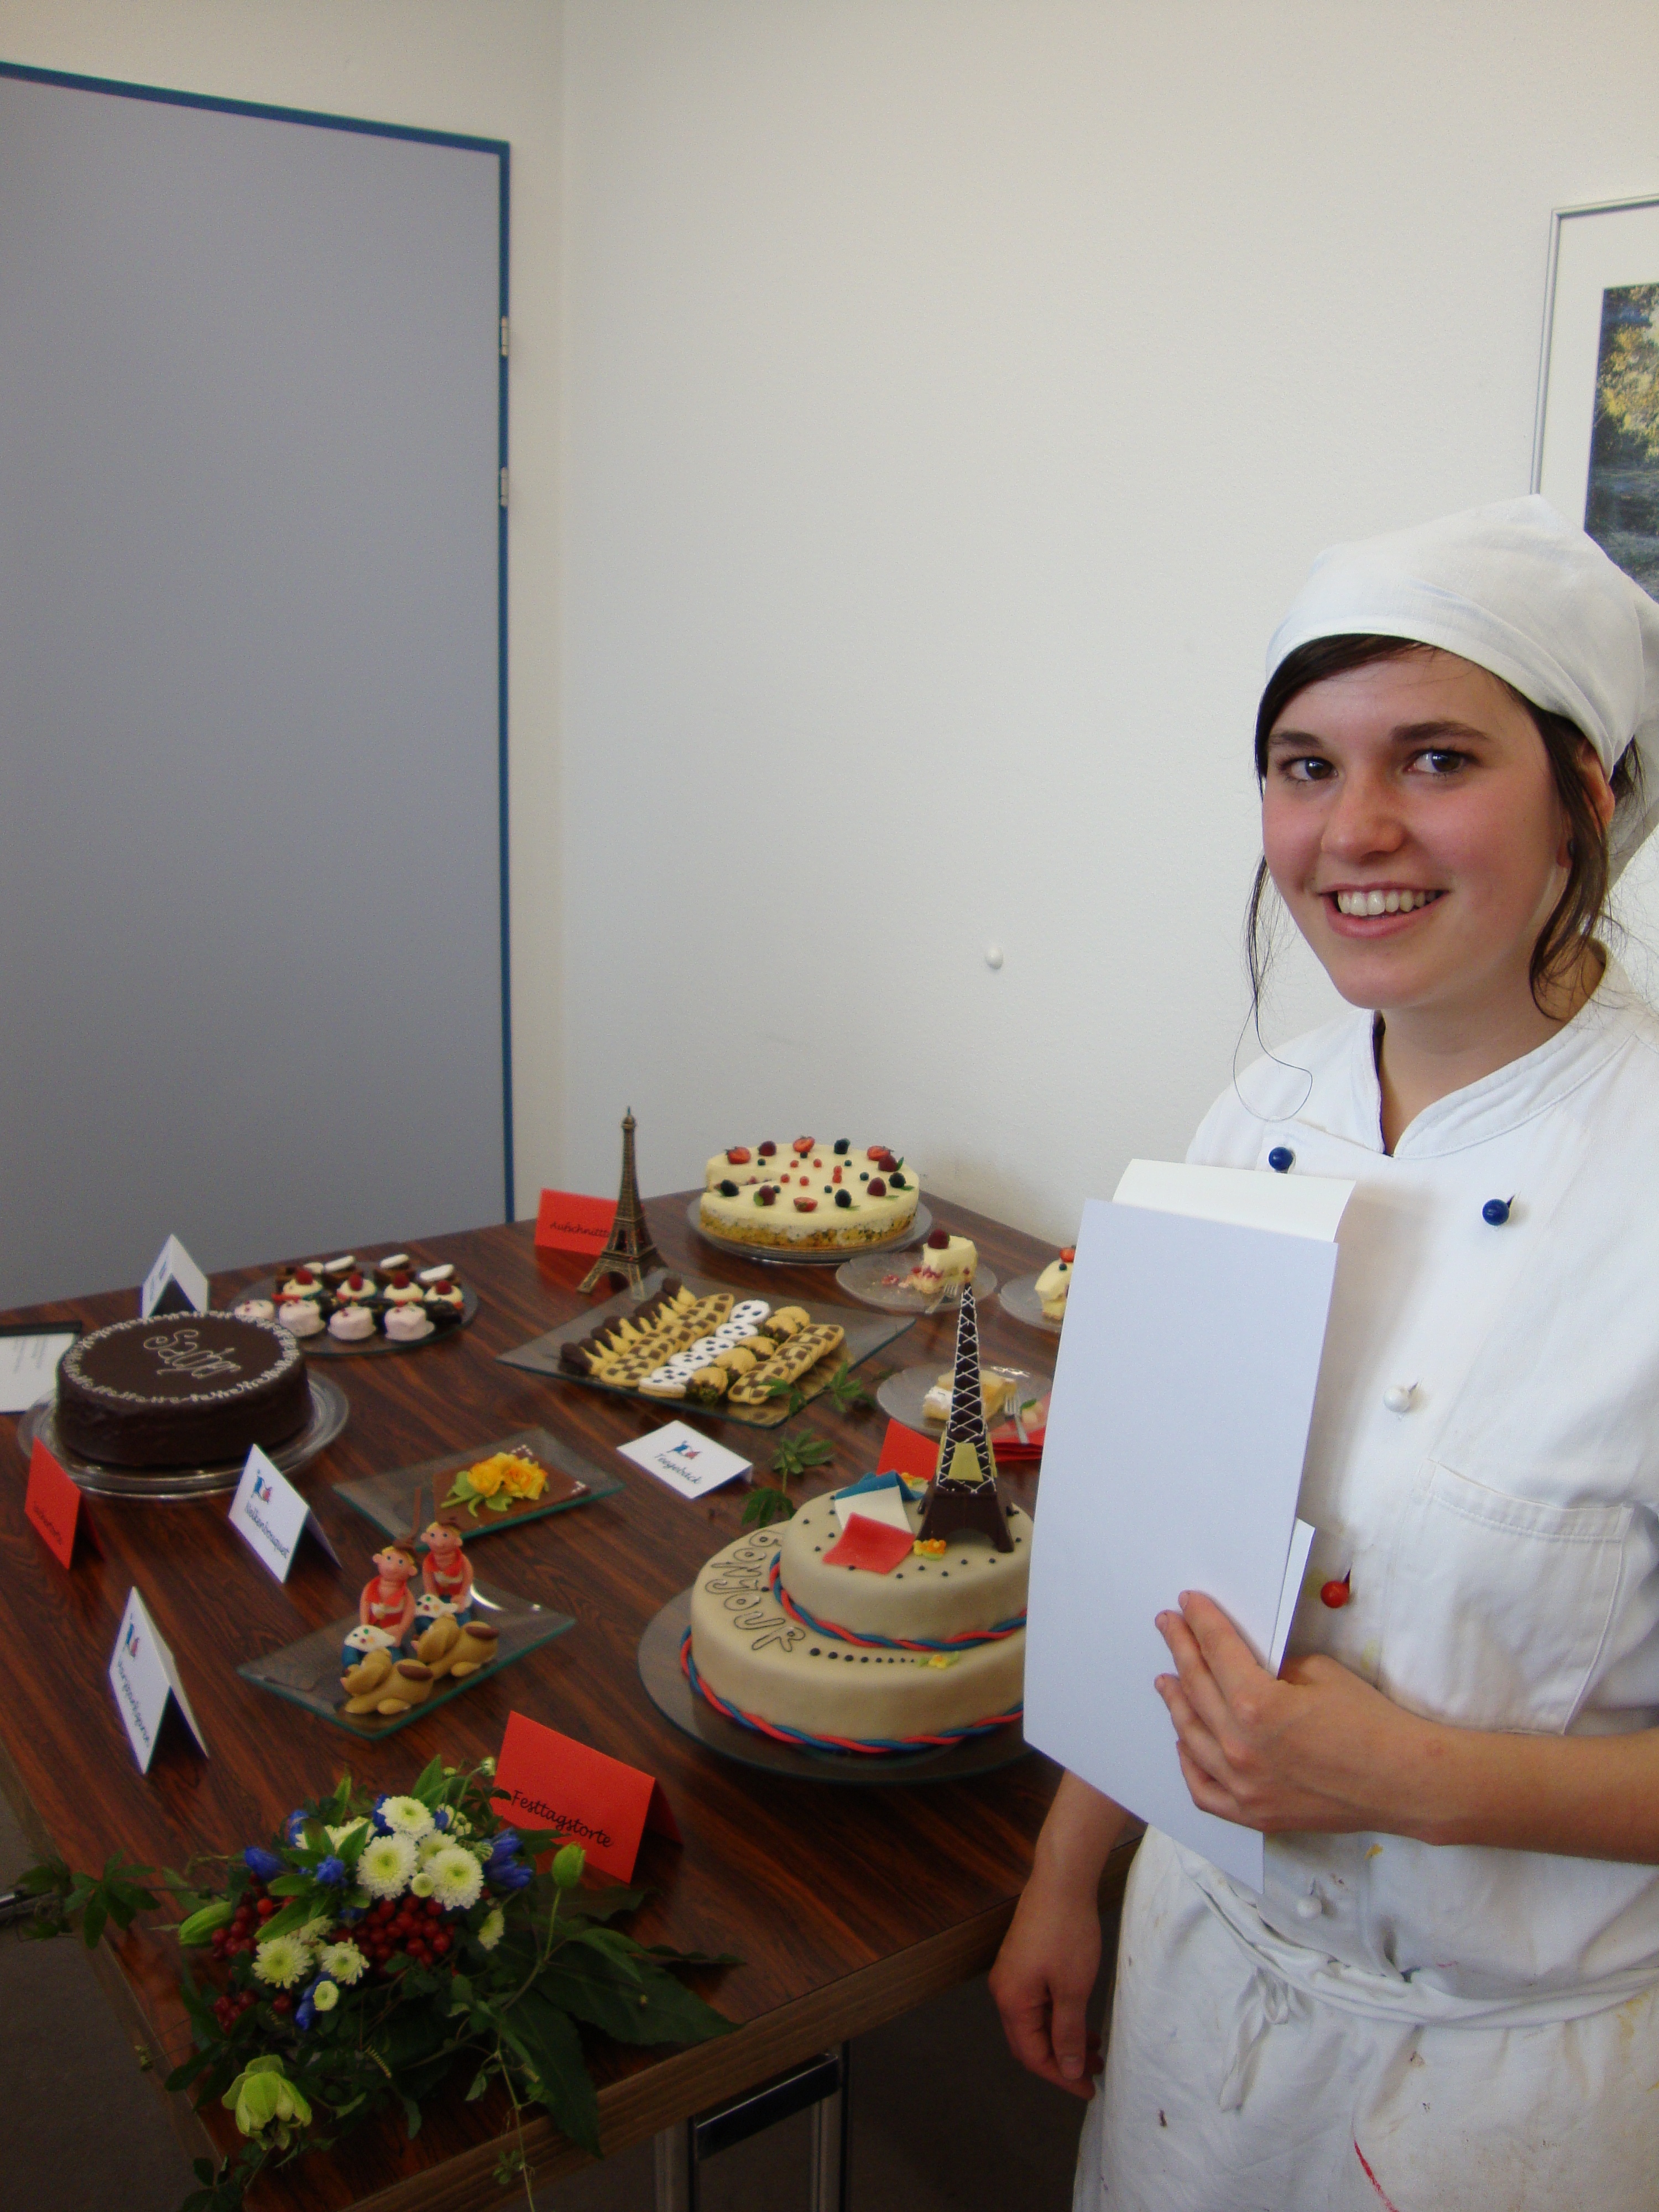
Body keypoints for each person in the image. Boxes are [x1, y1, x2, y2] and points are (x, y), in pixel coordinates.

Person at [990, 497, 1659, 2209]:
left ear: (1591, 794)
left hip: (1515, 2088)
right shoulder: (1256, 1120)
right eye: (1306, 766)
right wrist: (1067, 1869)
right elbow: (1163, 1563)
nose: (1354, 830)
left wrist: (1420, 1781)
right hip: (1201, 1988)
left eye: (1438, 759)